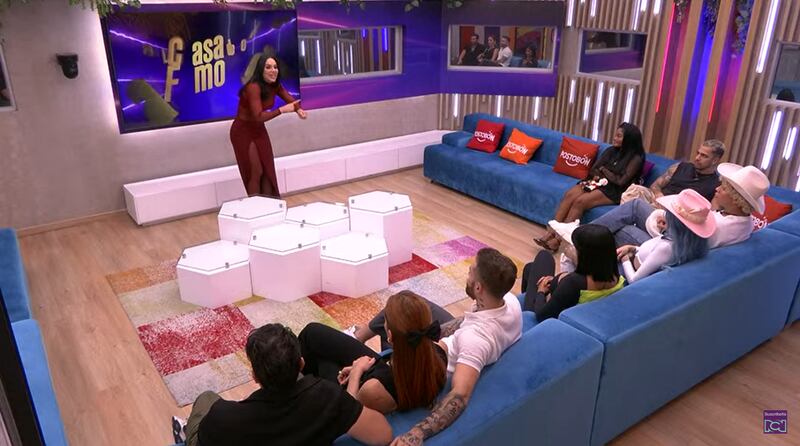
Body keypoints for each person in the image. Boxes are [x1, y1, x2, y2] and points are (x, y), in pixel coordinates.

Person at [172, 324, 392, 446]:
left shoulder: (223, 417)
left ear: (255, 376)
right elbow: (382, 434)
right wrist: (355, 376)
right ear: (301, 363)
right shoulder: (327, 397)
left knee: (206, 398)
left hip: (221, 428)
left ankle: (185, 429)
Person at [389, 248, 521, 446]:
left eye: (471, 270)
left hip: (434, 365)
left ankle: (360, 336)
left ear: (478, 288)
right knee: (407, 302)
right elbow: (468, 321)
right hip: (445, 344)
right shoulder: (510, 302)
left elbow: (460, 395)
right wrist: (431, 333)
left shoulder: (475, 339)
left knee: (396, 310)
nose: (468, 271)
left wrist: (417, 433)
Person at [298, 291, 447, 414]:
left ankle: (299, 391)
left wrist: (356, 372)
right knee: (313, 332)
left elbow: (351, 414)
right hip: (389, 371)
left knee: (322, 360)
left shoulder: (374, 390)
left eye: (385, 320)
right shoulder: (440, 351)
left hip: (373, 386)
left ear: (390, 336)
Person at [588, 163, 769, 248]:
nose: (717, 189)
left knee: (621, 229)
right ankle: (584, 236)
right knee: (635, 205)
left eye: (724, 188)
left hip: (667, 251)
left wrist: (663, 225)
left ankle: (583, 241)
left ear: (736, 199)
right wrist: (667, 220)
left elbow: (673, 244)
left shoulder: (720, 226)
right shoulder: (745, 221)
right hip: (675, 234)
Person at [534, 122, 646, 251]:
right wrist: (604, 173)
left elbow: (620, 181)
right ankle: (549, 233)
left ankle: (558, 240)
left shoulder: (636, 158)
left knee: (580, 202)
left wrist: (604, 170)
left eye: (619, 136)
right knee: (569, 195)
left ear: (629, 139)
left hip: (614, 190)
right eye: (615, 135)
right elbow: (594, 169)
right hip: (596, 181)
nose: (615, 138)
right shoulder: (611, 151)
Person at [230, 54, 307, 197]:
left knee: (267, 171)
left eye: (275, 67)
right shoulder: (253, 87)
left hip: (258, 129)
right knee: (256, 171)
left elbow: (291, 100)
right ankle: (255, 204)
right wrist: (281, 110)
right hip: (242, 132)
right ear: (261, 70)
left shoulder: (274, 85)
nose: (273, 71)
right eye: (268, 67)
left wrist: (298, 110)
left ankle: (269, 204)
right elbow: (258, 116)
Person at [522, 224, 623, 321]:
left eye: (575, 247)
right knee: (530, 268)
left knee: (544, 256)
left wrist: (541, 292)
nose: (573, 248)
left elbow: (542, 315)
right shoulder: (614, 274)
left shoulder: (574, 283)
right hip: (583, 308)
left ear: (586, 254)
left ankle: (524, 319)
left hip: (542, 318)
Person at [616, 189, 716, 283]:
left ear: (675, 221)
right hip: (636, 255)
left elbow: (633, 280)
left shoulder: (666, 248)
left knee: (621, 230)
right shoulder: (689, 243)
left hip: (629, 269)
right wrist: (634, 249)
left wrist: (625, 260)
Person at [622, 140, 725, 205]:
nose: (697, 158)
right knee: (635, 189)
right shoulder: (680, 166)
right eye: (698, 153)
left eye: (704, 156)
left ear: (715, 160)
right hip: (657, 200)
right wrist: (658, 195)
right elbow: (655, 186)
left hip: (676, 212)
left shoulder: (715, 185)